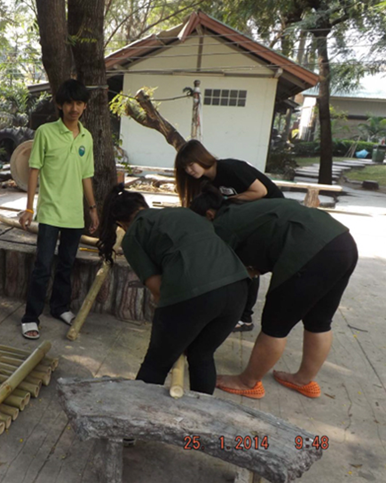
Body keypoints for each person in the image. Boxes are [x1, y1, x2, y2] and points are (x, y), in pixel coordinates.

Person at [190, 185, 358, 399]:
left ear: (209, 215)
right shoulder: (247, 208)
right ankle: (303, 380)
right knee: (319, 321)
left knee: (275, 325)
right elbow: (267, 243)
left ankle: (248, 382)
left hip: (310, 253)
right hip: (342, 244)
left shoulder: (223, 224)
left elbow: (220, 273)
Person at [97, 184, 249, 395]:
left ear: (121, 223)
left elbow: (158, 289)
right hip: (237, 287)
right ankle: (202, 412)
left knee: (156, 363)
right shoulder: (184, 213)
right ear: (143, 205)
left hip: (191, 292)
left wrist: (173, 328)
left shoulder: (133, 236)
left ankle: (139, 408)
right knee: (202, 355)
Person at [174, 139, 285, 333]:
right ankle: (235, 313)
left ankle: (245, 318)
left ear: (201, 158)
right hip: (246, 219)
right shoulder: (207, 182)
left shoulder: (230, 168)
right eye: (185, 168)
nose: (189, 171)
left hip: (272, 217)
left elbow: (261, 191)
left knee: (248, 264)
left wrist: (228, 200)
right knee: (240, 262)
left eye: (191, 164)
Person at [18, 79, 99, 340]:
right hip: (50, 212)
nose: (74, 108)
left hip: (75, 214)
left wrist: (92, 209)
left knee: (66, 265)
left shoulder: (86, 137)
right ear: (60, 105)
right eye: (69, 103)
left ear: (85, 106)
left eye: (79, 103)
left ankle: (60, 308)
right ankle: (31, 317)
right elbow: (34, 170)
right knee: (42, 266)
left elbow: (86, 176)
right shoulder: (45, 132)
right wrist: (29, 208)